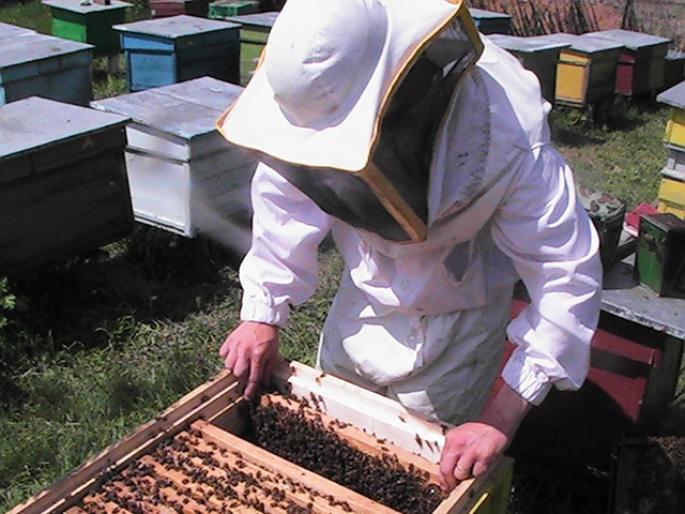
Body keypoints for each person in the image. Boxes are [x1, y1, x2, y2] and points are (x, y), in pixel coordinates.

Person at [217, 0, 602, 492]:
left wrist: (499, 416)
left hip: (458, 321)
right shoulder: (321, 96)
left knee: (418, 477)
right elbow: (285, 191)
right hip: (362, 302)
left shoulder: (507, 132)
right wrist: (262, 311)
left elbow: (564, 271)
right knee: (327, 440)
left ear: (403, 92)